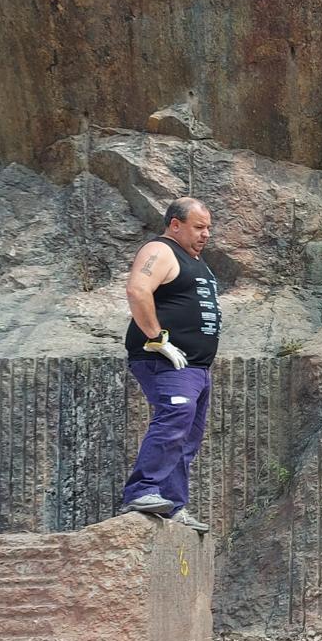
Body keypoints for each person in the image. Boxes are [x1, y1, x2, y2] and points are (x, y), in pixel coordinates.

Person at [120, 197, 221, 534]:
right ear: (175, 224)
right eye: (199, 227)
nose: (206, 234)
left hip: (196, 367)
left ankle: (173, 504)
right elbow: (137, 289)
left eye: (208, 227)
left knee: (187, 435)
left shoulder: (195, 260)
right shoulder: (160, 250)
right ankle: (142, 491)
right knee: (174, 417)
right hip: (164, 359)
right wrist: (157, 338)